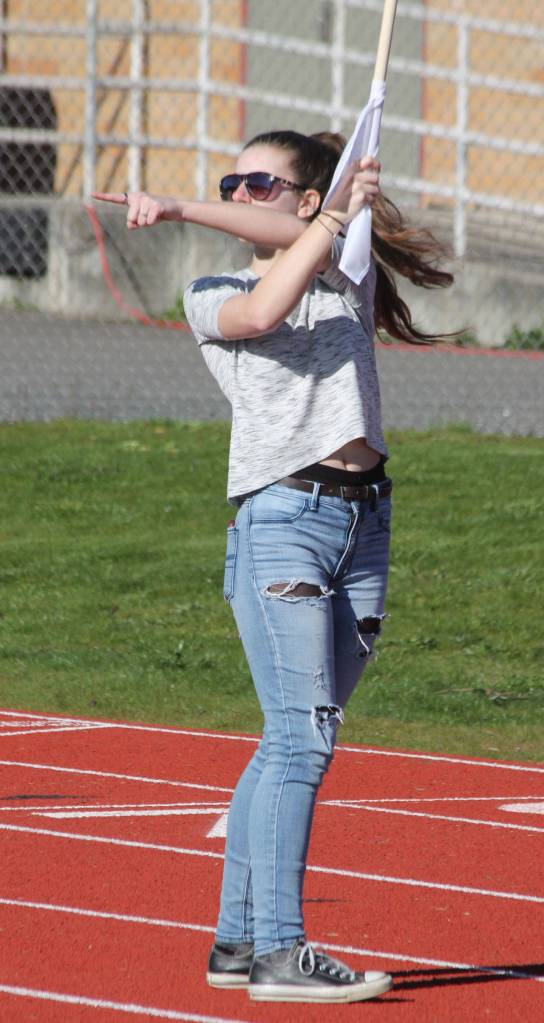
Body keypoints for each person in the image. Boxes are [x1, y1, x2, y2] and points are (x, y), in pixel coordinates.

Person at [93, 130, 452, 1004]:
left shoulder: (343, 268)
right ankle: (281, 952)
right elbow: (262, 314)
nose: (242, 194)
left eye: (263, 183)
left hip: (366, 522)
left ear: (301, 201)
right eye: (233, 183)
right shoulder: (214, 291)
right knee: (303, 736)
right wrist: (180, 206)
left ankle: (236, 941)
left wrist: (342, 212)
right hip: (283, 522)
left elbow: (318, 243)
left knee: (292, 736)